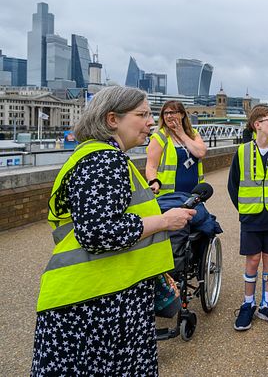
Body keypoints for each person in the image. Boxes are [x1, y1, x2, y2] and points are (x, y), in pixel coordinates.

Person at [32, 86, 195, 375]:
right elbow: (99, 232)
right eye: (141, 114)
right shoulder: (103, 160)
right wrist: (165, 221)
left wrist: (155, 272)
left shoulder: (104, 157)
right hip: (94, 306)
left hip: (105, 295)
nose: (149, 122)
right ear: (112, 120)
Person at [228, 105, 268, 331]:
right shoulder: (242, 151)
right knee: (252, 260)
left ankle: (267, 303)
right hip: (251, 216)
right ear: (257, 125)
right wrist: (245, 208)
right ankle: (248, 304)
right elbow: (233, 185)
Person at [146, 100, 207, 196]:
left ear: (182, 114)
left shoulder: (193, 134)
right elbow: (151, 166)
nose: (169, 116)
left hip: (194, 193)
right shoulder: (159, 137)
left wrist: (182, 135)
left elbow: (201, 152)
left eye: (172, 112)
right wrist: (153, 181)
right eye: (165, 113)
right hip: (169, 195)